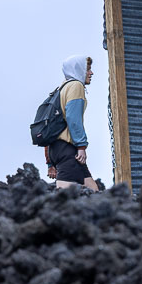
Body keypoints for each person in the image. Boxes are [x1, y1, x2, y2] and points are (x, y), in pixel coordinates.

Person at [46, 54, 101, 191]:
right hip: (67, 148)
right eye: (88, 69)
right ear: (78, 69)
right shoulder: (76, 86)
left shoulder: (62, 87)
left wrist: (49, 162)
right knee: (65, 197)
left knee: (93, 190)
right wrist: (81, 146)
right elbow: (73, 118)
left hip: (57, 148)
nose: (91, 73)